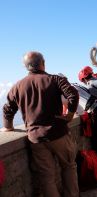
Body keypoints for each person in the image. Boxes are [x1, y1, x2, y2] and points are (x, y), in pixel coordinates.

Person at [1, 51, 79, 197]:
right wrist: (70, 114)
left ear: (27, 67)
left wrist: (9, 126)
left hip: (36, 139)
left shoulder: (17, 86)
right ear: (43, 63)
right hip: (58, 134)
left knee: (46, 176)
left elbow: (8, 109)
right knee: (68, 166)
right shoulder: (55, 79)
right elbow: (73, 94)